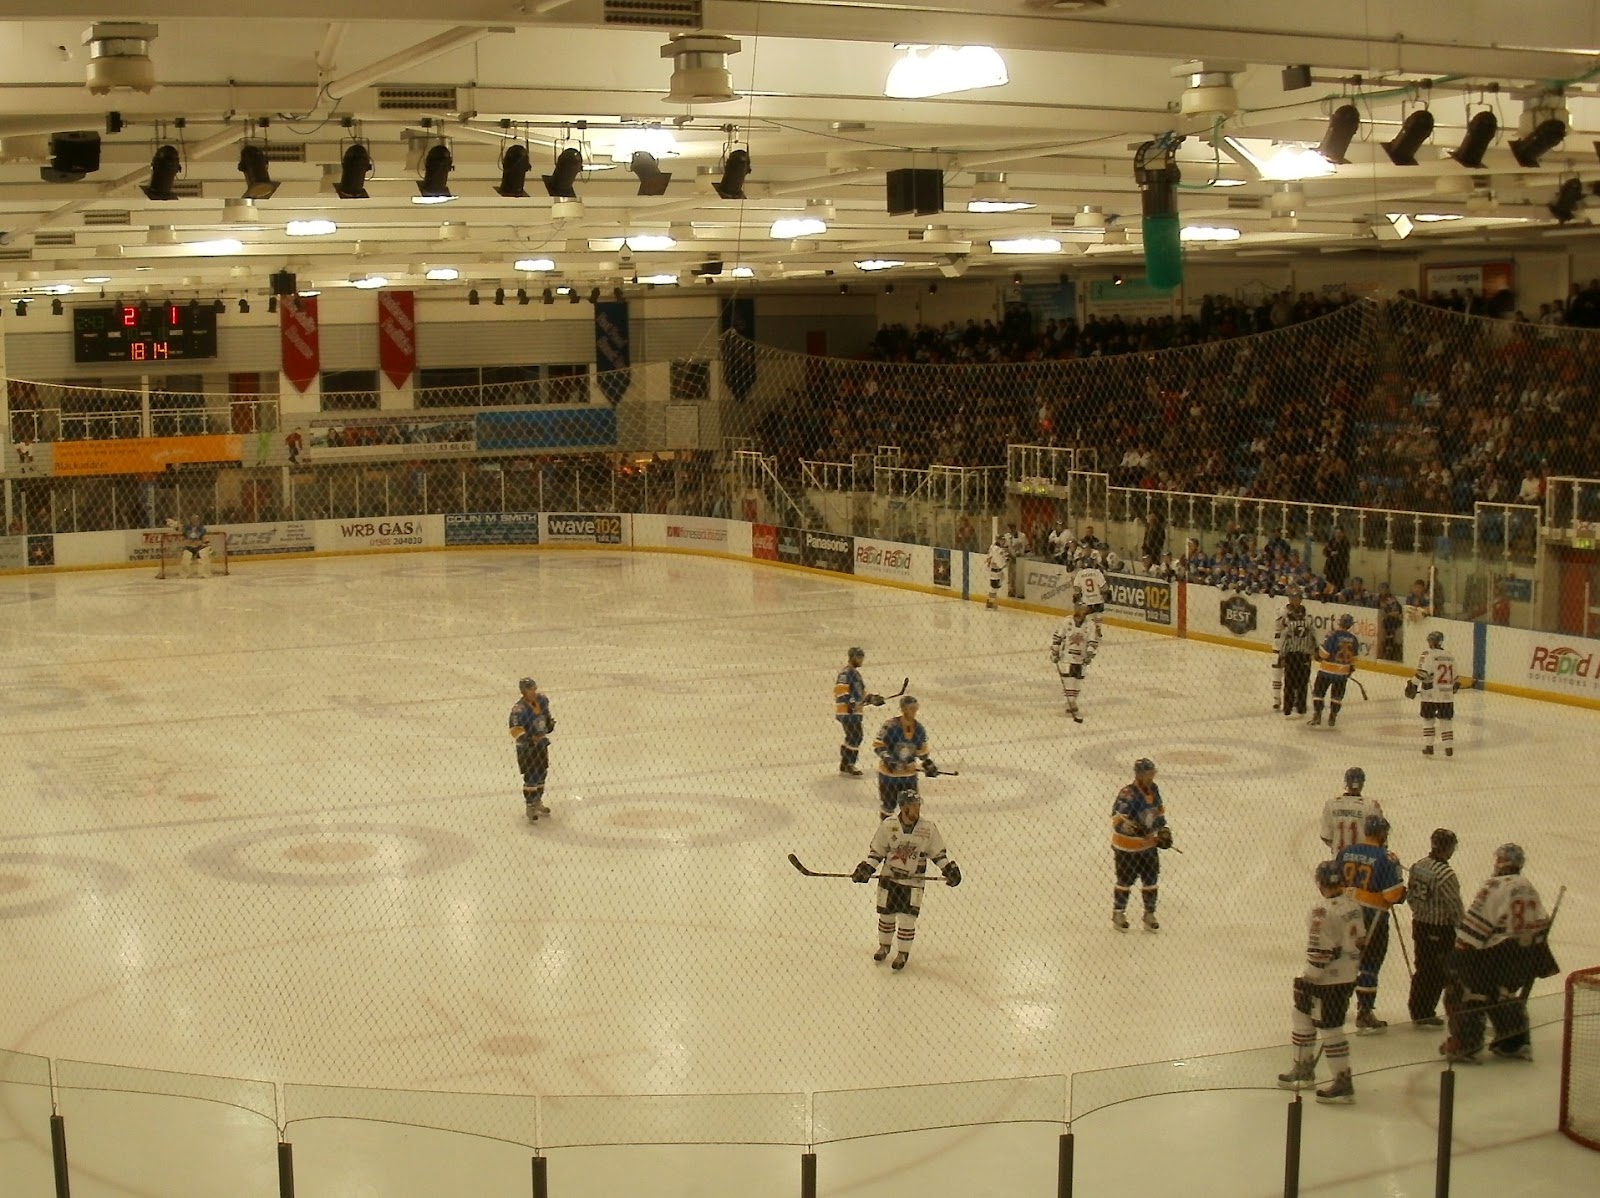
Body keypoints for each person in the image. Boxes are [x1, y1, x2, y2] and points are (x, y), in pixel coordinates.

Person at [1442, 844, 1557, 1063]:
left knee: (1460, 979)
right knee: (1503, 991)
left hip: (1497, 958)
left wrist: (1459, 953)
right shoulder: (1528, 886)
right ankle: (1514, 1040)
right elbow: (1541, 925)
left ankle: (1466, 1042)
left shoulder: (1494, 886)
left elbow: (1473, 931)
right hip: (1523, 960)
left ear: (1501, 863)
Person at [1277, 860, 1365, 1104]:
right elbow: (1362, 941)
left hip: (1326, 979)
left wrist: (1309, 978)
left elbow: (1320, 953)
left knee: (1330, 1028)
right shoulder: (1354, 905)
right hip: (1348, 973)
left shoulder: (1321, 911)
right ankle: (1304, 1069)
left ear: (1319, 882)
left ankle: (1341, 1080)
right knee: (1302, 1015)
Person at [851, 787, 961, 971]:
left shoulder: (928, 828)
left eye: (918, 806)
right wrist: (867, 868)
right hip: (889, 878)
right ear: (903, 807)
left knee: (908, 919)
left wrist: (948, 869)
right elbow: (878, 851)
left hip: (913, 881)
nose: (916, 811)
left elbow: (938, 853)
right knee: (886, 915)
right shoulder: (889, 825)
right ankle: (884, 946)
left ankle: (903, 952)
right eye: (912, 807)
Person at [1337, 814, 1407, 1033]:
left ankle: (1335, 1007)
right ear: (1382, 833)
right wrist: (1403, 892)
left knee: (1345, 961)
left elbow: (1334, 881)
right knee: (1369, 964)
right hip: (1372, 917)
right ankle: (1365, 1012)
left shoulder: (1345, 852)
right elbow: (1392, 895)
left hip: (1344, 913)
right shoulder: (1387, 858)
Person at [1406, 828, 1463, 1028]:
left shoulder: (1418, 865)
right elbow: (1454, 905)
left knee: (1423, 968)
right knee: (1438, 972)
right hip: (1440, 930)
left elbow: (1410, 897)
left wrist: (1419, 913)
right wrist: (1461, 928)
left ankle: (1417, 1009)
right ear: (1448, 848)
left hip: (1420, 925)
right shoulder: (1446, 874)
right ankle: (1425, 1011)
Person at [1110, 758, 1172, 931]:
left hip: (1148, 846)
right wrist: (1135, 829)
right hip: (1127, 848)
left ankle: (1149, 913)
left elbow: (1158, 812)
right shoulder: (1127, 794)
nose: (1152, 776)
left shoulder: (1154, 789)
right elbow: (1118, 820)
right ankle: (1118, 912)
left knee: (1151, 880)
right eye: (1149, 773)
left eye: (1153, 772)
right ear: (1140, 774)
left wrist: (1163, 831)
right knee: (1125, 880)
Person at [872, 695, 939, 819]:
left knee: (912, 806)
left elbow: (922, 753)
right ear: (903, 709)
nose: (913, 711)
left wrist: (929, 765)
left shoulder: (919, 729)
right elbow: (878, 745)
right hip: (889, 776)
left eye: (915, 708)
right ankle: (886, 831)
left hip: (908, 777)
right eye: (910, 708)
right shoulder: (890, 726)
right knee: (888, 807)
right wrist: (888, 759)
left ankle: (909, 833)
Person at [509, 677, 555, 823]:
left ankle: (537, 801)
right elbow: (515, 729)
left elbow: (546, 718)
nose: (534, 692)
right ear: (524, 691)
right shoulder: (518, 710)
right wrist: (528, 739)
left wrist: (549, 724)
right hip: (527, 749)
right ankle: (530, 804)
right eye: (530, 690)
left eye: (534, 688)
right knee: (531, 775)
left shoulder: (542, 700)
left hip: (541, 745)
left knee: (542, 773)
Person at [1406, 630, 1460, 757]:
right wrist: (1454, 687)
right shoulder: (1450, 656)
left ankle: (1429, 746)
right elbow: (1456, 679)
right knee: (1446, 721)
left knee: (1428, 720)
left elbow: (1423, 673)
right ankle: (1448, 748)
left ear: (1431, 642)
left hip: (1429, 694)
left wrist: (1412, 684)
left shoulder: (1427, 654)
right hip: (1446, 696)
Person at [833, 647, 884, 776]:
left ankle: (845, 764)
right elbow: (840, 689)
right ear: (852, 657)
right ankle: (849, 763)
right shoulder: (846, 673)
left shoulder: (855, 674)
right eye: (859, 658)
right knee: (856, 735)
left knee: (852, 736)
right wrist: (849, 702)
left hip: (854, 712)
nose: (861, 660)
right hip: (847, 712)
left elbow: (860, 695)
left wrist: (872, 699)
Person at [1050, 593, 1099, 723]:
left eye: (1084, 607)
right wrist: (1055, 651)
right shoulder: (1067, 621)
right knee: (1069, 680)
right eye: (1079, 606)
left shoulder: (1090, 625)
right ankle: (1071, 703)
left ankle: (1071, 702)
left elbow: (1093, 640)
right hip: (1067, 656)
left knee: (1078, 681)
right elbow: (1058, 637)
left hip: (1081, 658)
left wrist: (1089, 654)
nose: (1081, 610)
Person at [1310, 613, 1360, 727]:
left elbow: (1325, 653)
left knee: (1318, 692)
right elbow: (1354, 659)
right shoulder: (1354, 639)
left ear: (1339, 622)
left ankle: (1317, 715)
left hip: (1327, 670)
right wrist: (1350, 669)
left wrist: (1317, 655)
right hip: (1342, 673)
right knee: (1337, 696)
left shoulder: (1333, 635)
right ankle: (1332, 717)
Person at [1320, 767, 1383, 854]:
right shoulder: (1371, 805)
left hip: (1339, 859)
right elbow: (1380, 837)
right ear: (1362, 784)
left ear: (1346, 783)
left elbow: (1326, 837)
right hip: (1363, 859)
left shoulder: (1331, 804)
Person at [1277, 586, 1316, 719]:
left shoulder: (1289, 624)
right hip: (1304, 657)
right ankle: (1301, 706)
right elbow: (1314, 638)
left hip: (1292, 656)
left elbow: (1284, 640)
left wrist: (1282, 655)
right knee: (1303, 683)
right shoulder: (1309, 623)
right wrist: (1315, 651)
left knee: (1289, 682)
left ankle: (1287, 708)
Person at [1073, 547, 1108, 637]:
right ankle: (1098, 628)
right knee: (1098, 614)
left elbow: (1077, 588)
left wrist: (1077, 596)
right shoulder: (1097, 572)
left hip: (1087, 599)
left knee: (1086, 616)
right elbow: (1103, 586)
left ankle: (1085, 630)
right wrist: (1106, 592)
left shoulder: (1080, 574)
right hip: (1097, 598)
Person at [984, 533, 1010, 610]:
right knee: (994, 587)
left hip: (995, 570)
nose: (1003, 541)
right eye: (1001, 540)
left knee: (996, 586)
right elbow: (1001, 563)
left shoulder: (993, 547)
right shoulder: (997, 550)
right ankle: (990, 603)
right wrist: (1007, 562)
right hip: (995, 570)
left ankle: (991, 602)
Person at [1324, 526, 1351, 591]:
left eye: (1339, 533)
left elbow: (1341, 553)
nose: (1338, 535)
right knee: (1329, 584)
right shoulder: (1331, 541)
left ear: (1343, 533)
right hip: (1330, 567)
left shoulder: (1346, 542)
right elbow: (1325, 551)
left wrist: (1332, 551)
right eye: (1336, 533)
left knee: (1339, 585)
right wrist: (1331, 553)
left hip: (1340, 568)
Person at [1005, 522, 1028, 597]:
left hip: (1021, 559)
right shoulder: (1007, 537)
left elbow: (1027, 547)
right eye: (1010, 528)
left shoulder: (1022, 536)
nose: (1011, 530)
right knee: (1011, 576)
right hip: (1012, 559)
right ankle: (1011, 590)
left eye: (1013, 528)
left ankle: (1020, 592)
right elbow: (1005, 548)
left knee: (1020, 576)